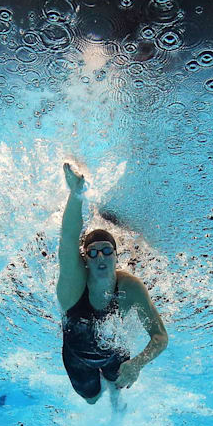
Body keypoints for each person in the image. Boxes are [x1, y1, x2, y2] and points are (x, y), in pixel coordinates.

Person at [56, 163, 168, 405]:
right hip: (77, 357)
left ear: (116, 256)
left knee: (119, 391)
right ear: (84, 259)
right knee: (92, 399)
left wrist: (137, 364)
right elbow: (67, 239)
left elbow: (160, 336)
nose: (100, 257)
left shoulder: (131, 288)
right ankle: (100, 394)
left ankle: (116, 404)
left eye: (107, 251)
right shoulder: (74, 288)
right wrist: (76, 194)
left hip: (113, 354)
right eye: (93, 253)